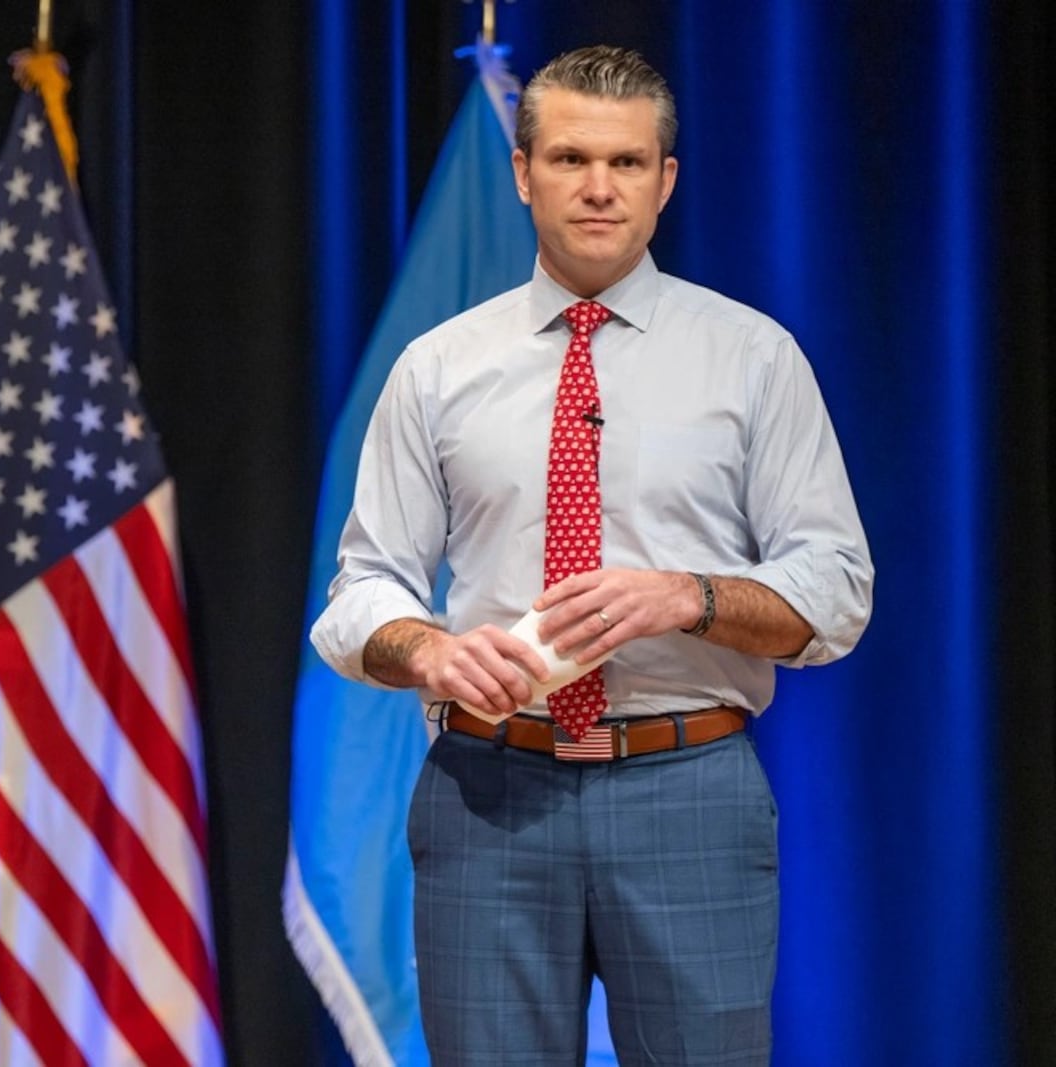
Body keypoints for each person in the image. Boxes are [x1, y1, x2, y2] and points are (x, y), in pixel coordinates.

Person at [310, 45, 873, 1066]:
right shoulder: (436, 369)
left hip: (688, 786)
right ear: (523, 174)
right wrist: (425, 649)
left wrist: (685, 595)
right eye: (569, 158)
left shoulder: (752, 358)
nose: (599, 187)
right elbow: (361, 593)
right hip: (489, 789)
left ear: (665, 180)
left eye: (626, 162)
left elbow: (833, 595)